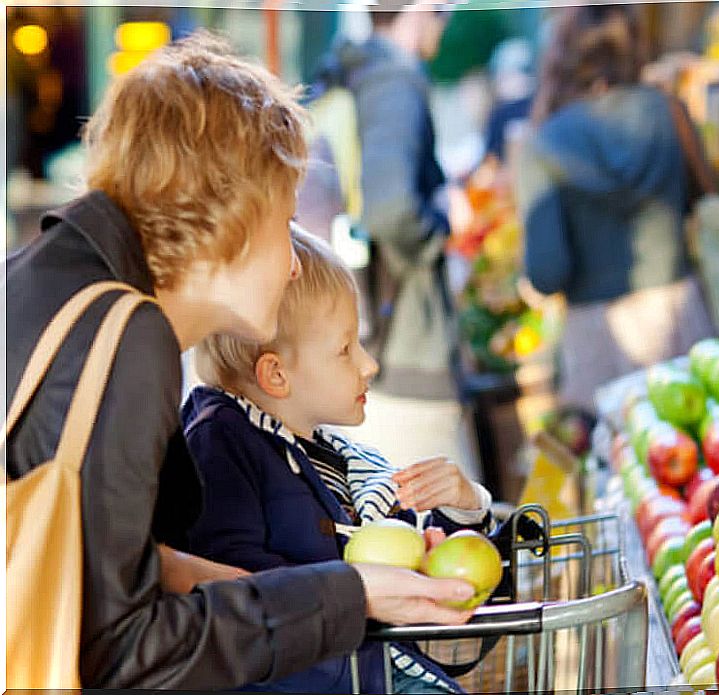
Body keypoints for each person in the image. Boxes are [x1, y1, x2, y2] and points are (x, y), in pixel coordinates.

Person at [5, 32, 475, 689]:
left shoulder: (49, 274)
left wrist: (199, 571)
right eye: (284, 220)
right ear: (229, 217)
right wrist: (348, 595)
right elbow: (126, 650)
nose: (290, 262)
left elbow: (90, 556)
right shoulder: (127, 334)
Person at [184, 230, 494, 693]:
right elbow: (243, 601)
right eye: (346, 348)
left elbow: (412, 556)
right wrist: (356, 592)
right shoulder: (220, 445)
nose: (369, 364)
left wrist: (461, 510)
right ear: (276, 374)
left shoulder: (329, 454)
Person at [307, 7, 480, 478]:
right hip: (406, 353)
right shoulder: (394, 81)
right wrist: (443, 219)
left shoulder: (353, 72)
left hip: (373, 342)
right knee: (451, 529)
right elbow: (391, 209)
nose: (444, 20)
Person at [516, 5, 716, 409]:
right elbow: (705, 198)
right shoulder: (666, 110)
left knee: (619, 461)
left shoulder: (544, 141)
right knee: (703, 451)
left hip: (598, 338)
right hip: (679, 315)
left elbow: (547, 271)